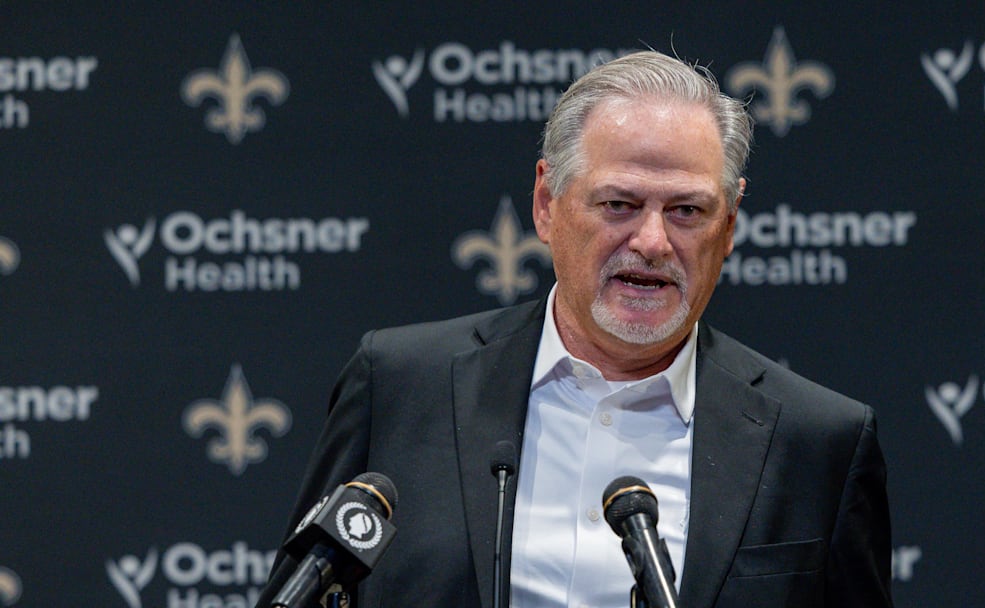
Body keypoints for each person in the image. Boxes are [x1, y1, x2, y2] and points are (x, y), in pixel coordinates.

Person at [257, 50, 893, 607]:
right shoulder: (400, 384)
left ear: (728, 228)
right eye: (619, 203)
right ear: (546, 203)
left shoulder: (817, 443)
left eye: (687, 211)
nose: (652, 242)